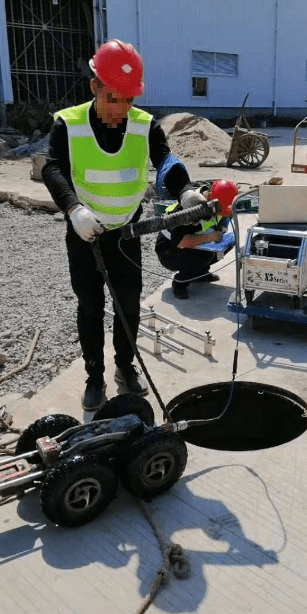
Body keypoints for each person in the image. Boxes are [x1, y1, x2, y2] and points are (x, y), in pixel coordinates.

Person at [42, 39, 202, 411]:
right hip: (85, 232)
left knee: (128, 304)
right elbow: (53, 168)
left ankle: (125, 368)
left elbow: (165, 160)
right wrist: (73, 209)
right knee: (90, 306)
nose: (122, 107)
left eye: (129, 99)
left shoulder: (144, 125)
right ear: (94, 86)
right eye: (114, 97)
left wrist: (187, 191)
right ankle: (94, 376)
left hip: (127, 233)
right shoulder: (69, 123)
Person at [155, 179, 238, 299]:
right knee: (205, 255)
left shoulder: (219, 204)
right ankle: (180, 282)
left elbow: (224, 218)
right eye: (221, 210)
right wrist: (210, 237)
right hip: (169, 251)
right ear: (210, 198)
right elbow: (181, 242)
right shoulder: (192, 208)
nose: (222, 213)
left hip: (190, 241)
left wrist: (221, 230)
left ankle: (200, 273)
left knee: (225, 246)